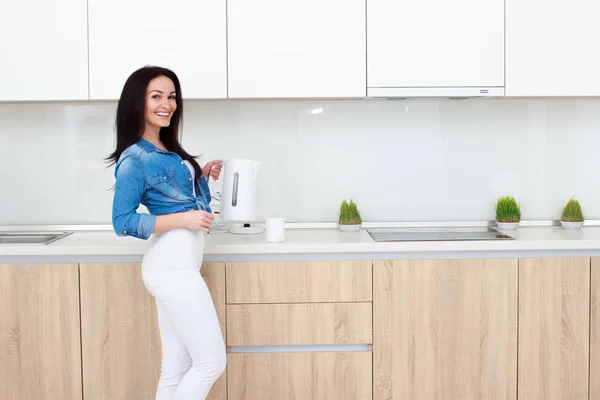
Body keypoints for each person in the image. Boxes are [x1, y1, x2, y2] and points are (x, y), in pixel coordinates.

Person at [106, 65, 226, 400]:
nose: (167, 104)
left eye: (171, 96)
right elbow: (122, 221)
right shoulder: (135, 157)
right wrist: (183, 220)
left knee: (175, 370)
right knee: (211, 363)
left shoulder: (169, 151)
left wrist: (201, 176)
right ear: (137, 103)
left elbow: (187, 204)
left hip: (177, 267)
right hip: (172, 269)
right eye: (156, 96)